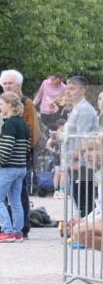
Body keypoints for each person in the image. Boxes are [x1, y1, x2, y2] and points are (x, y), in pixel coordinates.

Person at [0, 69, 40, 238]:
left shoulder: (26, 104)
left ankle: (17, 229)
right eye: (5, 83)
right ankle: (17, 230)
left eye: (10, 83)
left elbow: (33, 133)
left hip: (14, 159)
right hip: (13, 158)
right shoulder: (5, 108)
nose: (7, 86)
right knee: (14, 198)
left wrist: (20, 154)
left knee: (15, 196)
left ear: (18, 85)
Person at [52, 76, 98, 218]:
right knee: (80, 200)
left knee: (84, 202)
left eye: (72, 89)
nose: (67, 92)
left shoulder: (84, 110)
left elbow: (82, 138)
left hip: (82, 164)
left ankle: (86, 230)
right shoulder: (77, 109)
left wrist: (76, 161)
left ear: (82, 91)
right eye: (67, 89)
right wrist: (59, 136)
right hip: (75, 162)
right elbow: (73, 135)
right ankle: (84, 228)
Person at [0, 92, 31, 243]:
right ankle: (17, 232)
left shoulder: (10, 123)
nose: (0, 107)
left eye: (1, 104)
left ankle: (7, 231)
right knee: (15, 201)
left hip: (8, 167)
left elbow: (6, 148)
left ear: (9, 105)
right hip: (20, 167)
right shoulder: (23, 123)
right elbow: (27, 147)